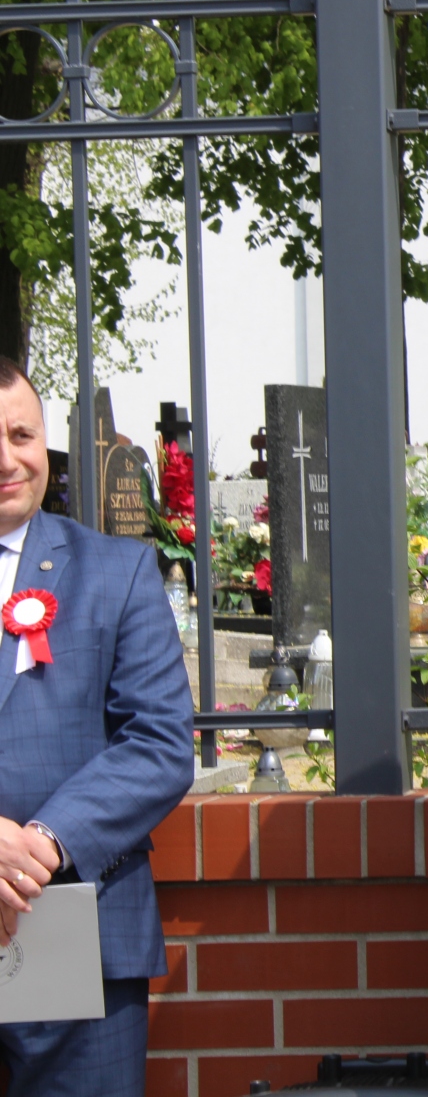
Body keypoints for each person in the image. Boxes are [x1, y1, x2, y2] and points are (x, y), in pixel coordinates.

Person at [0, 358, 195, 1096]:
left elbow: (159, 744)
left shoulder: (118, 572)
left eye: (21, 435)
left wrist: (41, 845)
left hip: (73, 918)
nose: (7, 459)